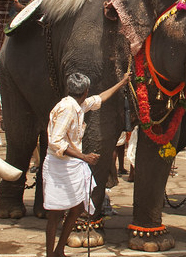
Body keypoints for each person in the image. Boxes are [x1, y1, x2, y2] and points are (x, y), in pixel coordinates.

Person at [44, 72, 130, 257]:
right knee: (56, 213)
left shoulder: (78, 105)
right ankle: (51, 253)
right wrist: (83, 157)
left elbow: (99, 99)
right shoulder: (67, 109)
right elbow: (55, 142)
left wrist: (122, 82)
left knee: (78, 208)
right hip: (59, 166)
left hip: (72, 164)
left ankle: (59, 250)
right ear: (85, 91)